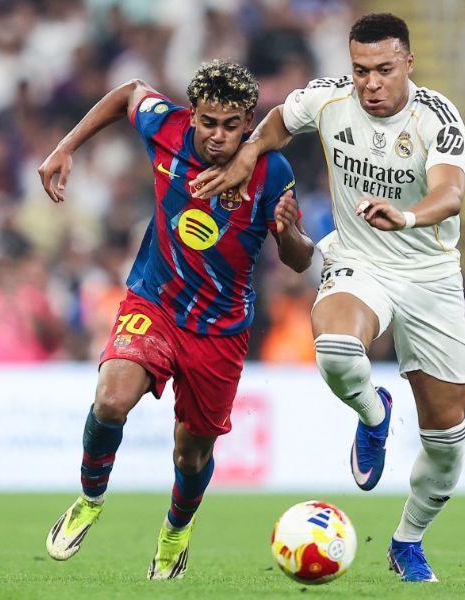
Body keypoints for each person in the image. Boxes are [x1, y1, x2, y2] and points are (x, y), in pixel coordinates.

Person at [191, 13, 465, 583]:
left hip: (430, 273)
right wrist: (247, 154)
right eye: (361, 70)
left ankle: (407, 540)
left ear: (409, 65)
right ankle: (374, 414)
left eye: (385, 70)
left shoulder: (437, 118)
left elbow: (450, 193)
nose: (371, 83)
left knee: (446, 441)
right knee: (338, 348)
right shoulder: (329, 99)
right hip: (359, 257)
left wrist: (409, 215)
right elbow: (277, 120)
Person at [37, 60, 313, 579]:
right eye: (209, 122)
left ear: (248, 121)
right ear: (192, 118)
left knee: (191, 455)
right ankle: (90, 500)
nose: (218, 136)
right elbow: (127, 92)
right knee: (112, 397)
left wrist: (289, 232)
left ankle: (175, 532)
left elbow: (299, 260)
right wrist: (66, 146)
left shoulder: (272, 171)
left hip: (221, 328)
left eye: (233, 125)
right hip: (154, 301)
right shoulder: (165, 126)